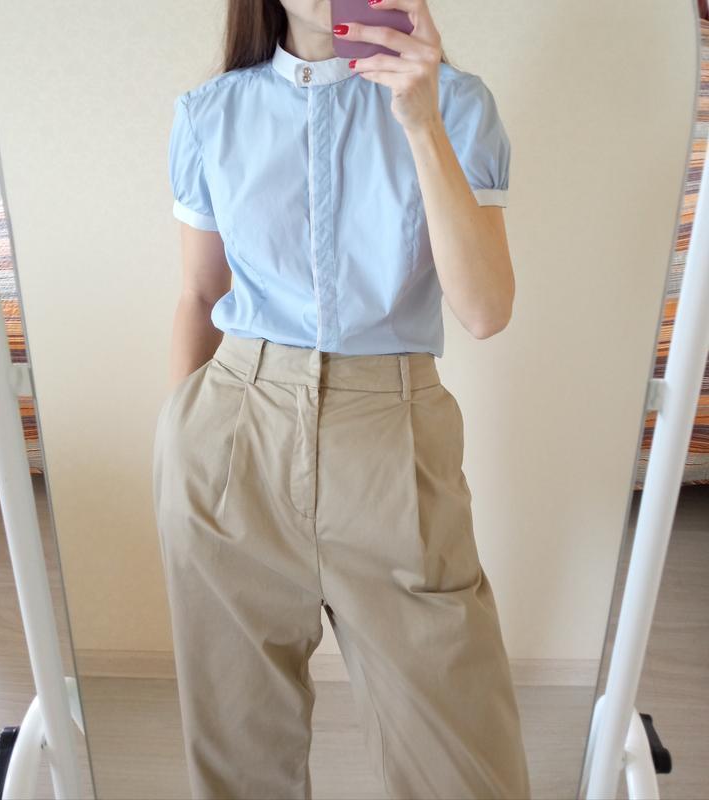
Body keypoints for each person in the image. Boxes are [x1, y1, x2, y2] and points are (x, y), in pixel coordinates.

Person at [152, 1, 531, 798]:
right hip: (233, 439)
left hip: (391, 438)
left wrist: (421, 122)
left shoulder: (456, 104)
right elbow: (200, 295)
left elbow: (486, 309)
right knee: (240, 765)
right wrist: (180, 444)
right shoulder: (211, 114)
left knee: (464, 773)